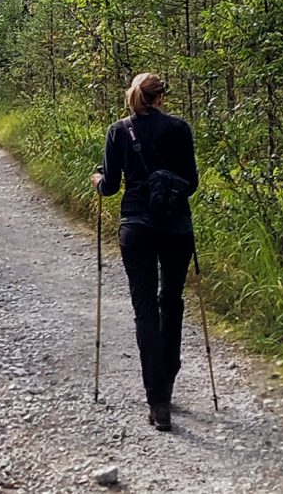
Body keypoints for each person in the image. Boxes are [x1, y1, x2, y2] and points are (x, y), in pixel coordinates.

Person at [90, 71, 200, 431]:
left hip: (136, 227)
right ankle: (167, 378)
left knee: (145, 310)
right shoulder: (180, 129)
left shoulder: (118, 130)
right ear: (162, 96)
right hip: (177, 228)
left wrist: (96, 179)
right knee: (172, 301)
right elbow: (191, 184)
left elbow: (109, 187)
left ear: (134, 95)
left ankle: (158, 403)